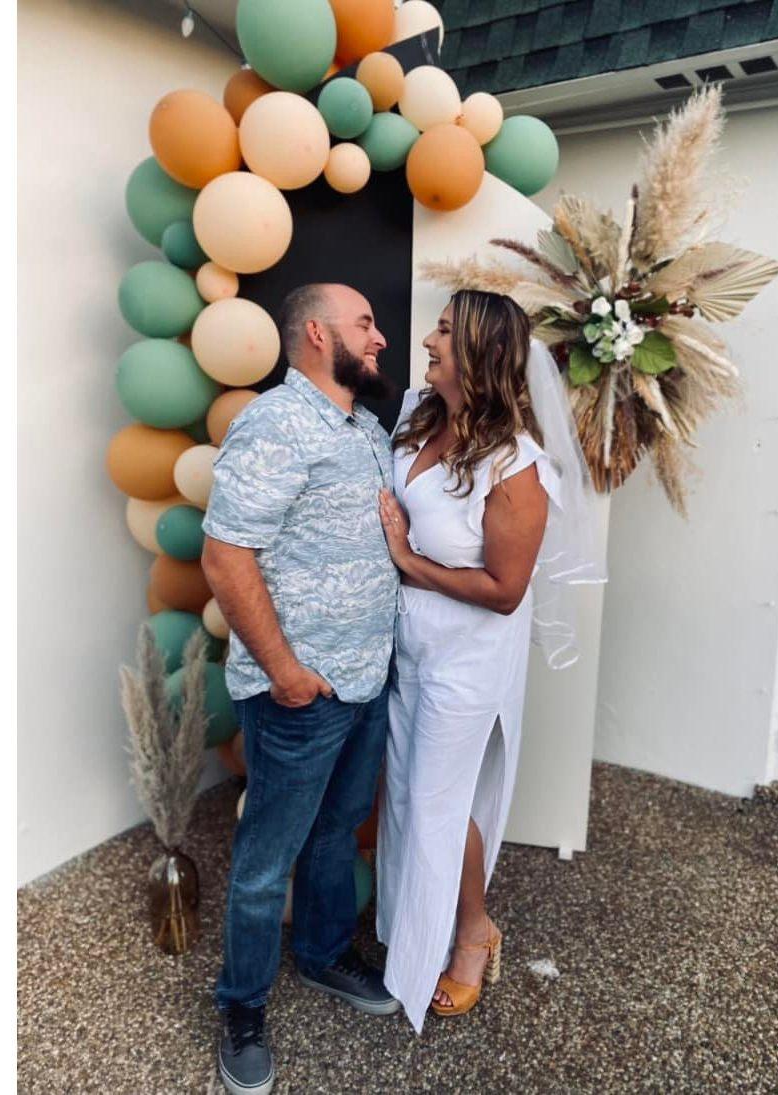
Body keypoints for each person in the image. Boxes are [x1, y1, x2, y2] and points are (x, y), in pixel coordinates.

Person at [201, 283, 400, 1095]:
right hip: (301, 693)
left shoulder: (364, 426)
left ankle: (321, 954)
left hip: (365, 678)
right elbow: (225, 557)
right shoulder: (275, 423)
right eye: (365, 324)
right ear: (318, 334)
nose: (379, 338)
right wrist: (284, 671)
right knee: (264, 862)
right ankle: (241, 1006)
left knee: (336, 832)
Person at [375, 289, 580, 1032]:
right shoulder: (414, 414)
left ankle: (470, 934)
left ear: (481, 353)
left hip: (468, 658)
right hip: (408, 644)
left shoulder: (515, 467)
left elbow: (503, 591)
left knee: (439, 798)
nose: (427, 341)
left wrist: (407, 560)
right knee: (407, 792)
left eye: (443, 331)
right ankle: (412, 932)